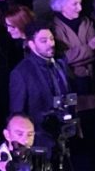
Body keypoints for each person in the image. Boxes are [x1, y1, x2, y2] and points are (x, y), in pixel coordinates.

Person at [8, 21, 73, 150]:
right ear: (32, 44)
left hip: (66, 135)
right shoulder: (21, 72)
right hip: (41, 141)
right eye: (43, 41)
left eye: (51, 39)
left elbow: (69, 95)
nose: (51, 44)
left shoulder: (60, 64)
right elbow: (17, 113)